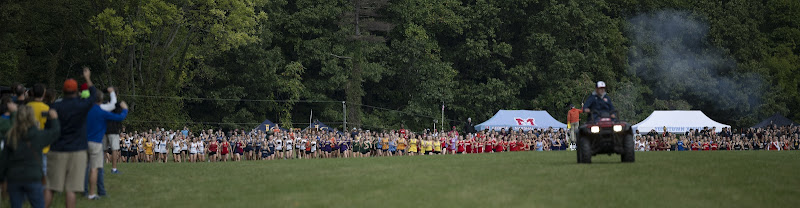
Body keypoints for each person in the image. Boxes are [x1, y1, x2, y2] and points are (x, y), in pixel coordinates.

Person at [46, 67, 98, 208]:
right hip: (77, 151)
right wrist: (87, 78)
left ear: (63, 91)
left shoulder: (55, 107)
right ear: (76, 91)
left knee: (50, 187)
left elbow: (48, 127)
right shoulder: (81, 105)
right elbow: (94, 95)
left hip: (57, 149)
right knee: (71, 190)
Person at [0, 106, 60, 208]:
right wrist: (54, 119)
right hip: (33, 177)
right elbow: (55, 133)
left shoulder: (10, 136)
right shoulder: (38, 135)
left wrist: (2, 179)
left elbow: (3, 160)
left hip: (14, 177)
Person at [84, 91, 128, 200]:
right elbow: (120, 117)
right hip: (96, 141)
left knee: (86, 167)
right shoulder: (102, 111)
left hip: (85, 141)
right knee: (96, 168)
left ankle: (84, 190)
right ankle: (94, 193)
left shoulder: (86, 109)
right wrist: (125, 109)